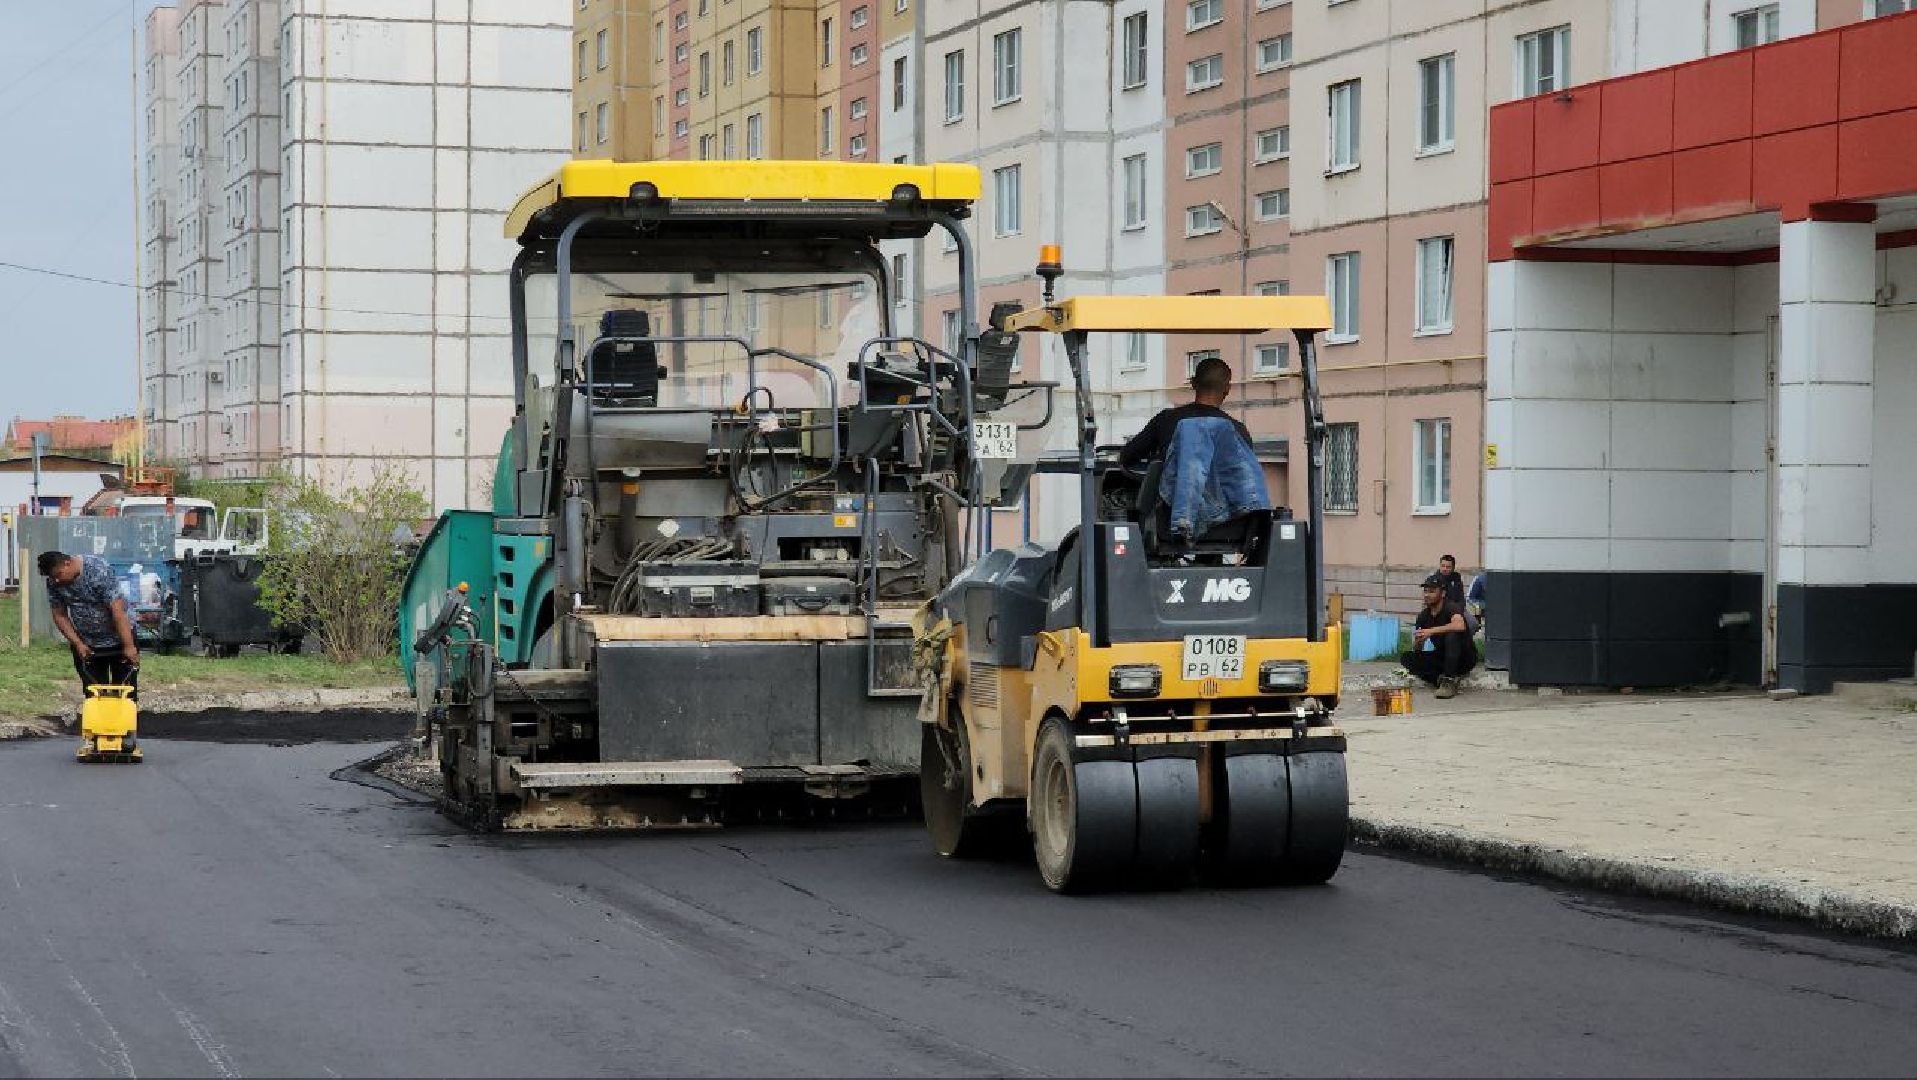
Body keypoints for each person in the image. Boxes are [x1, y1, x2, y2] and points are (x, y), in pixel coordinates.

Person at [39, 550, 141, 701]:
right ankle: (99, 723)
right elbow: (59, 615)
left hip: (118, 637)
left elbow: (118, 611)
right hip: (87, 642)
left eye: (58, 575)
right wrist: (78, 643)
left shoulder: (98, 570)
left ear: (67, 564)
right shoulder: (55, 582)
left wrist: (128, 646)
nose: (56, 581)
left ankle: (125, 723)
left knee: (126, 692)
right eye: (52, 577)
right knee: (95, 693)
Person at [1119, 356, 1254, 468]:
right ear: (1227, 389)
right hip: (1223, 501)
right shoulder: (1238, 431)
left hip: (1171, 500)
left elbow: (1127, 456)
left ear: (1193, 383)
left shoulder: (1166, 419)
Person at [1401, 573, 1476, 699]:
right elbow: (1418, 649)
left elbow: (1460, 625)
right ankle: (1439, 680)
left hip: (1464, 658)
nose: (1427, 595)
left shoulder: (1451, 607)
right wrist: (1419, 641)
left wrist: (1431, 631)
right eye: (1425, 591)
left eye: (1432, 591)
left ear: (1442, 593)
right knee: (1408, 658)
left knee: (1452, 634)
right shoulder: (1423, 616)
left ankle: (1448, 681)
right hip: (1443, 657)